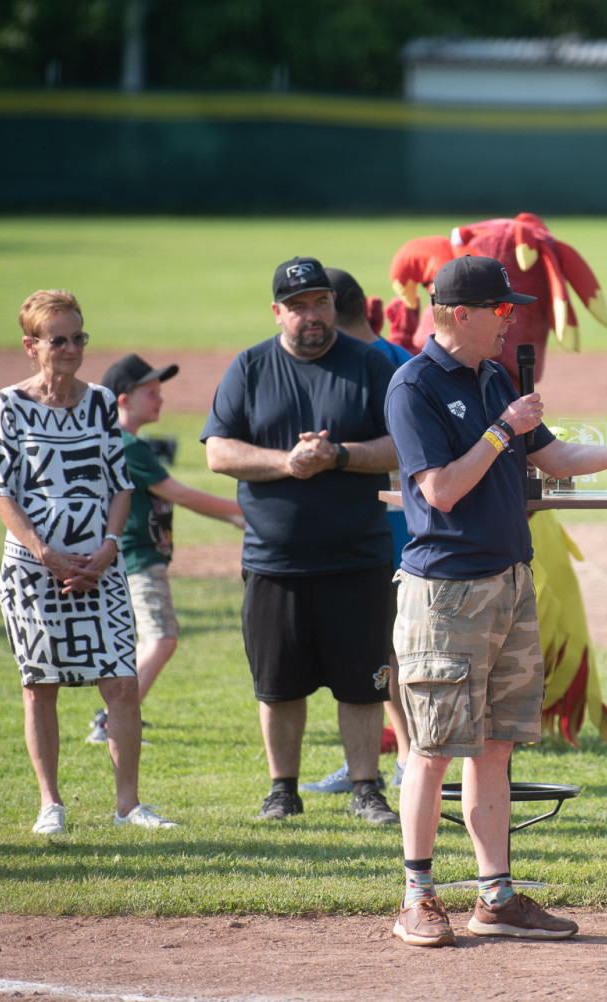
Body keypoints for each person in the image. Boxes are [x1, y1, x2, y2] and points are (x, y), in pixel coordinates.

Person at [384, 255, 607, 947]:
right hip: (446, 594)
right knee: (432, 748)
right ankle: (417, 897)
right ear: (463, 313)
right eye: (502, 308)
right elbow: (441, 492)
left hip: (509, 583)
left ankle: (496, 897)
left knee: (495, 748)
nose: (512, 320)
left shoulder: (495, 377)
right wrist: (501, 430)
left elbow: (550, 459)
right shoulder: (414, 386)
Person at [202, 256, 401, 826]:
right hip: (275, 560)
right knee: (277, 684)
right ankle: (282, 789)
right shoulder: (251, 368)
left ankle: (367, 788)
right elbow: (219, 452)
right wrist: (288, 462)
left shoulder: (368, 365)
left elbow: (403, 447)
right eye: (297, 307)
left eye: (319, 303)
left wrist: (337, 455)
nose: (311, 316)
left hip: (357, 555)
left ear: (332, 305)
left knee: (364, 684)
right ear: (277, 312)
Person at [0, 290, 176, 833]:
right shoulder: (10, 403)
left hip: (100, 565)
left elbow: (120, 483)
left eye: (79, 337)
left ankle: (128, 806)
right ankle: (51, 805)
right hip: (34, 569)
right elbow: (0, 489)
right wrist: (45, 553)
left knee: (120, 683)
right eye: (59, 339)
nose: (71, 348)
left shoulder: (98, 402)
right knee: (38, 685)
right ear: (32, 346)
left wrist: (109, 548)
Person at [84, 354, 245, 744]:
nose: (161, 400)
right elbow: (182, 495)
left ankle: (119, 713)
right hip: (139, 558)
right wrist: (243, 513)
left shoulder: (117, 442)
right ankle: (110, 722)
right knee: (162, 639)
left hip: (130, 558)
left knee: (144, 641)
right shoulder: (129, 447)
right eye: (151, 393)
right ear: (123, 400)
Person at [302, 267, 413, 795]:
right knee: (385, 646)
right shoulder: (401, 357)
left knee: (384, 647)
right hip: (405, 518)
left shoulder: (369, 366)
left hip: (385, 521)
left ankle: (403, 759)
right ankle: (385, 758)